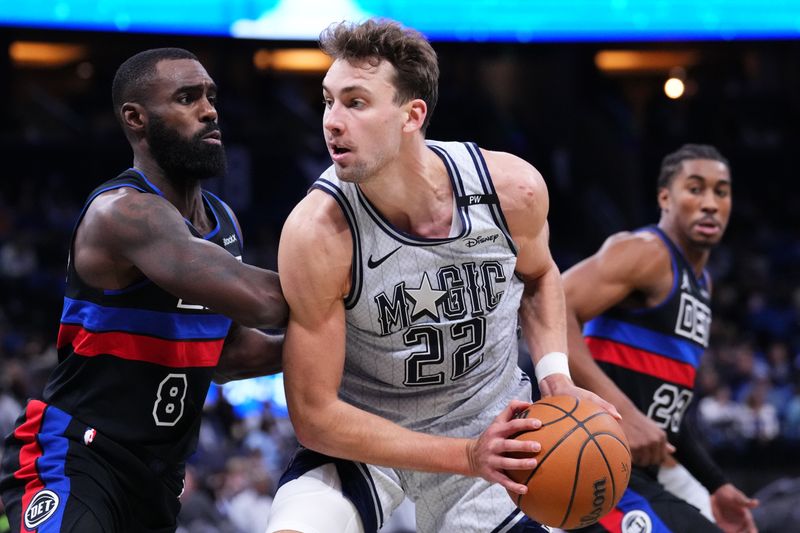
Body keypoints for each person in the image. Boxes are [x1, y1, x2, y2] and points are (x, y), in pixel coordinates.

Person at [266, 18, 619, 533]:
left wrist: (557, 381)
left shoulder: (510, 191)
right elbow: (314, 415)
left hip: (492, 428)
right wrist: (465, 454)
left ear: (412, 115)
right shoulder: (317, 231)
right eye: (327, 101)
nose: (332, 122)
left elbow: (541, 277)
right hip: (370, 440)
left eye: (355, 102)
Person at [0, 48, 288, 532]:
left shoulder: (224, 221)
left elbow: (230, 354)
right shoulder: (125, 213)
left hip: (156, 476)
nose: (209, 109)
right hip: (75, 457)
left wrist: (344, 347)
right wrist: (366, 294)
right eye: (186, 97)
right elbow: (263, 301)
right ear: (136, 119)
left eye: (211, 96)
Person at [562, 144, 758, 532]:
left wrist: (716, 484)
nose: (710, 203)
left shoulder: (702, 283)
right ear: (665, 198)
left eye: (722, 191)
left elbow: (670, 414)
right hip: (586, 460)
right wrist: (626, 413)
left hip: (636, 471)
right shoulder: (645, 252)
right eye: (695, 188)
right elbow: (551, 307)